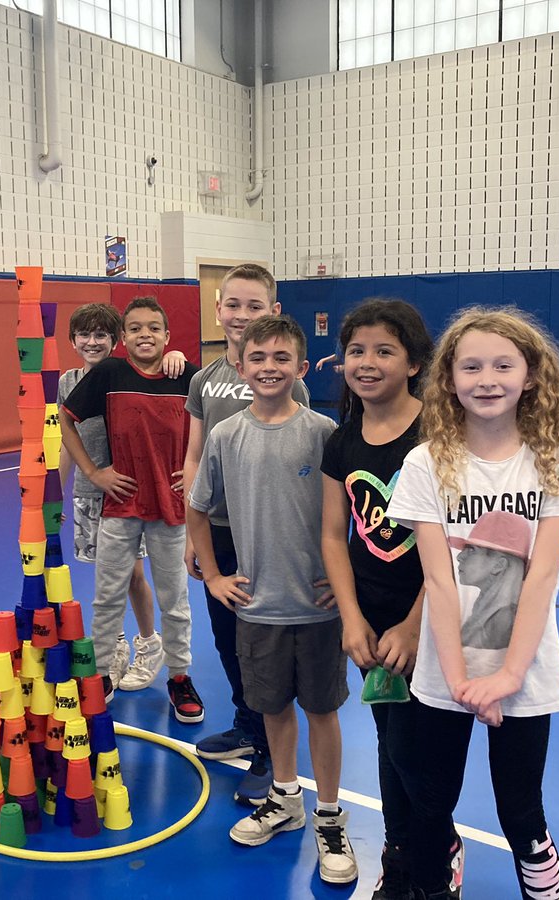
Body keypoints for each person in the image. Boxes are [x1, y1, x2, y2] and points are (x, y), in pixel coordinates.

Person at [386, 306, 559, 900]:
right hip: (446, 671)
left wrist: (508, 675)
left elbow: (541, 578)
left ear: (531, 376)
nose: (487, 379)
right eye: (472, 366)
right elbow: (438, 581)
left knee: (521, 812)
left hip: (525, 672)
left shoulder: (554, 463)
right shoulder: (425, 464)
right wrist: (458, 679)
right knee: (430, 806)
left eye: (503, 366)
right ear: (448, 378)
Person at [187, 315, 356, 885]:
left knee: (322, 711)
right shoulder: (224, 435)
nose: (269, 367)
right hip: (256, 607)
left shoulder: (325, 432)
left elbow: (356, 514)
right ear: (240, 367)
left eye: (282, 358)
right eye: (258, 358)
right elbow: (197, 508)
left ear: (301, 368)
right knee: (273, 709)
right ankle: (285, 799)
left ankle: (328, 815)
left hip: (319, 609)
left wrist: (347, 580)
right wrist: (213, 576)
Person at [319, 299, 463, 900]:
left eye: (384, 351)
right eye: (357, 351)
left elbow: (455, 541)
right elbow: (334, 535)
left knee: (415, 749)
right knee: (389, 739)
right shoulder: (342, 441)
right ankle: (401, 854)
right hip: (372, 620)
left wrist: (413, 623)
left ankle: (436, 856)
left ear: (414, 363)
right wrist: (353, 618)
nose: (367, 362)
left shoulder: (440, 436)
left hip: (429, 617)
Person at [181, 263, 311, 804]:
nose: (241, 315)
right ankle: (246, 722)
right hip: (217, 531)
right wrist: (193, 536)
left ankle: (269, 745)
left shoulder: (287, 380)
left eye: (254, 306)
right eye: (232, 304)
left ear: (273, 311)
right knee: (227, 637)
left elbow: (301, 466)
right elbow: (193, 456)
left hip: (268, 534)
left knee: (264, 643)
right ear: (217, 311)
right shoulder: (203, 380)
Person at [59, 296, 205, 723]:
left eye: (154, 328)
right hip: (120, 507)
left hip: (171, 509)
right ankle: (101, 673)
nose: (146, 335)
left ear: (167, 335)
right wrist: (94, 472)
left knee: (174, 600)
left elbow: (215, 426)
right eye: (136, 328)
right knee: (107, 596)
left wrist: (195, 473)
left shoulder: (187, 377)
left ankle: (179, 677)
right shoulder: (109, 374)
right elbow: (66, 420)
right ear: (123, 338)